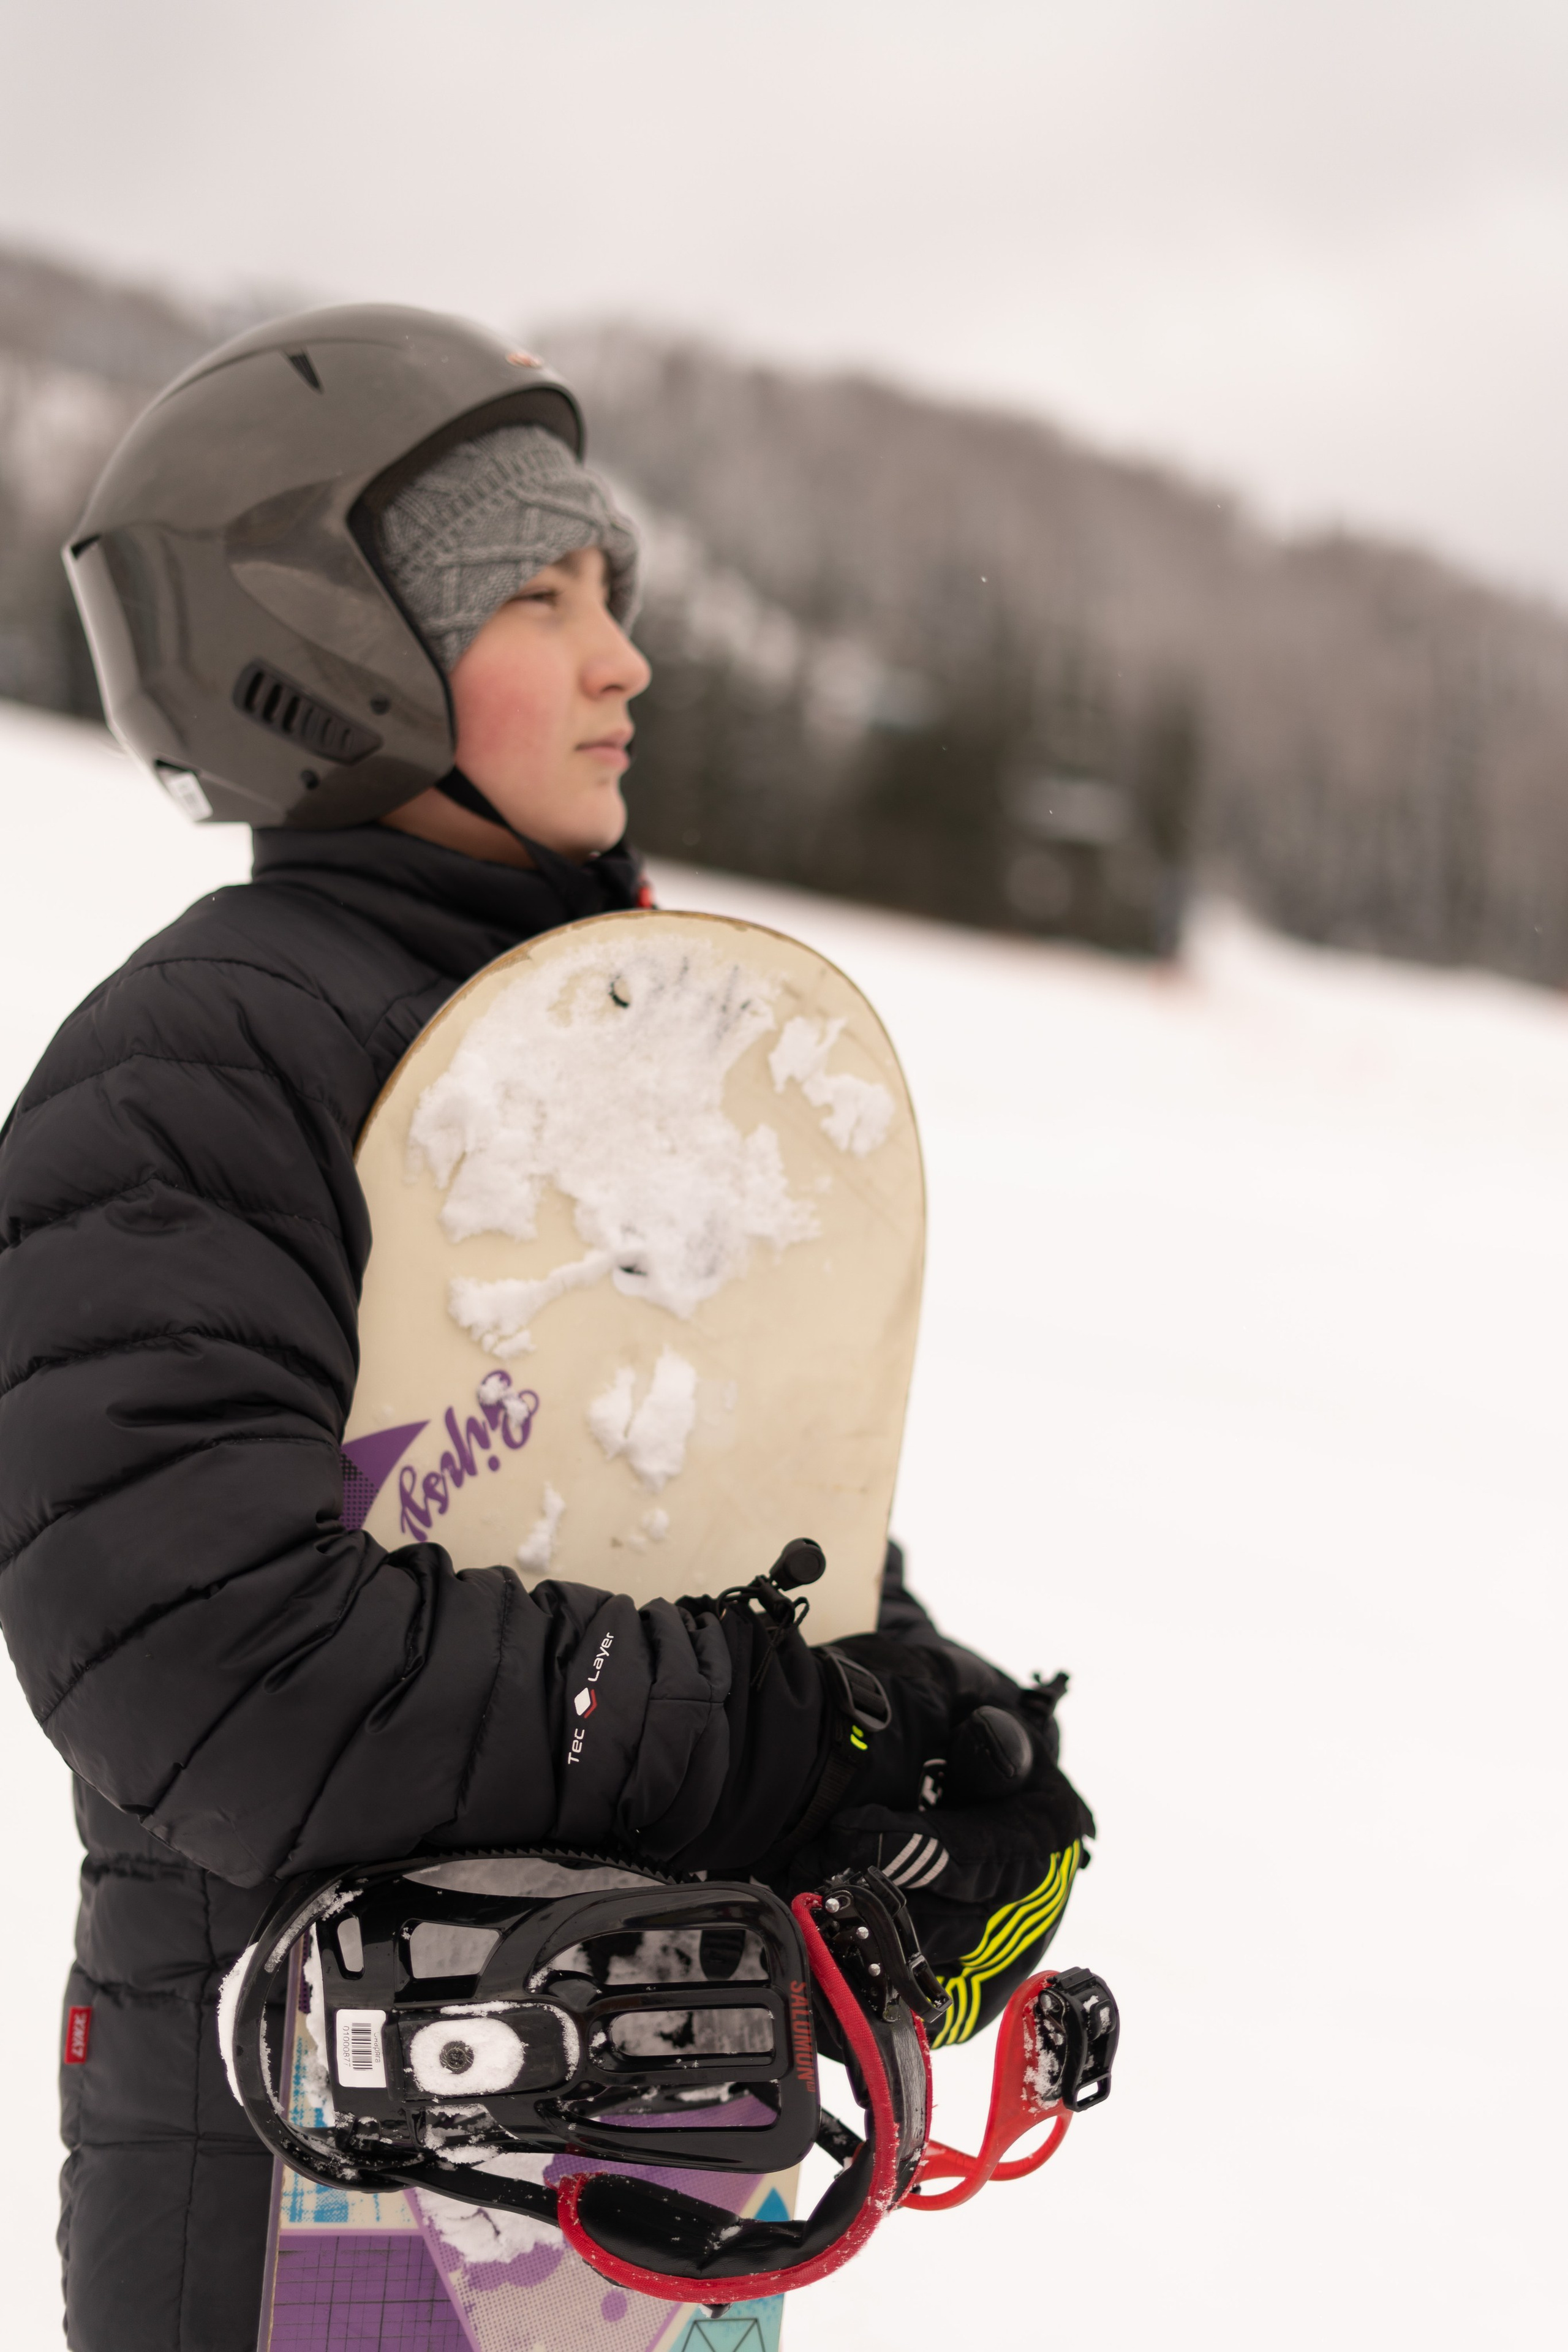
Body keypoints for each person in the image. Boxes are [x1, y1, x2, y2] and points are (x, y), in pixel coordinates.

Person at [0, 306, 1093, 2352]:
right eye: (538, 593)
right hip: (317, 2213)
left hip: (660, 2192)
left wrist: (933, 1745)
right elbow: (212, 1668)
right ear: (323, 649)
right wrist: (788, 1730)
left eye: (617, 590)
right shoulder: (192, 1071)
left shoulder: (620, 1060)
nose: (628, 658)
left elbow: (712, 1534)